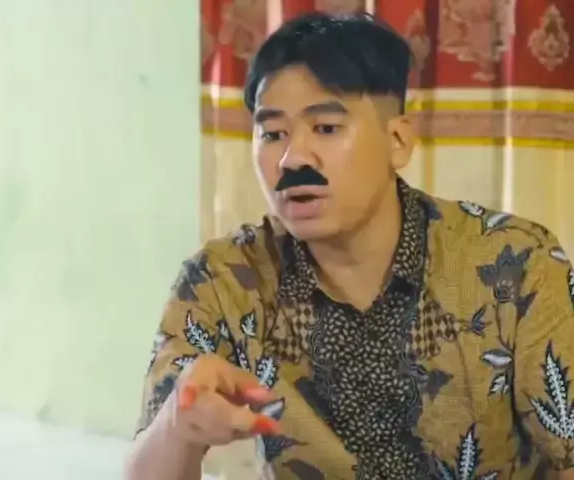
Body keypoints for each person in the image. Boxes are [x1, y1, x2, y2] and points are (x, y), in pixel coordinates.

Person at [125, 12, 574, 480]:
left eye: (326, 128)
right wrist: (177, 425)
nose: (292, 159)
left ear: (397, 140)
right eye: (273, 134)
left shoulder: (515, 265)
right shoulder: (225, 280)